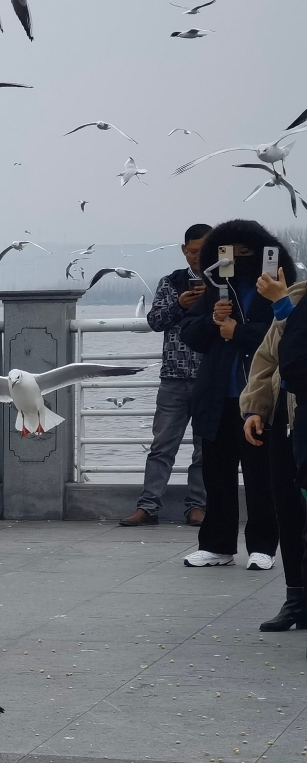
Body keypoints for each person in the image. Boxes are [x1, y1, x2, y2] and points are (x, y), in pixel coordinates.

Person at [181, 220, 297, 569]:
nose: (237, 258)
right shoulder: (216, 286)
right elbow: (191, 334)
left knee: (261, 476)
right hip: (216, 395)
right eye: (229, 251)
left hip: (259, 399)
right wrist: (212, 321)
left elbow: (287, 333)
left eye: (246, 251)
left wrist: (238, 331)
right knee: (216, 474)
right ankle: (217, 544)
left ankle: (263, 546)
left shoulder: (276, 289)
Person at [124, 222, 214, 527]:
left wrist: (210, 299)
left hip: (210, 378)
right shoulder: (171, 282)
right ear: (183, 250)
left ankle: (197, 506)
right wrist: (179, 304)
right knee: (162, 446)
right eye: (191, 252)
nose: (196, 258)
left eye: (202, 252)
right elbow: (155, 321)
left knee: (206, 449)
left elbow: (238, 319)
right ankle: (148, 506)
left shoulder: (225, 282)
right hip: (173, 377)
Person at [238, 276, 307, 628]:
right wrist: (254, 408)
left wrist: (283, 307)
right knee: (288, 509)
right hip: (288, 418)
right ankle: (296, 599)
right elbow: (268, 358)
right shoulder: (297, 293)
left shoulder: (289, 300)